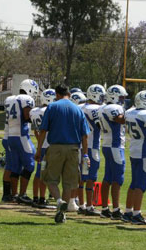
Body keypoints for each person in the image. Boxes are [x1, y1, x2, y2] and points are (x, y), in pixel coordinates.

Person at [36, 84, 90, 224]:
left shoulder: (52, 107)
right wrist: (85, 155)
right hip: (73, 149)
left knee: (50, 179)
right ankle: (62, 213)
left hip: (56, 148)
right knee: (69, 183)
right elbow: (85, 136)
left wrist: (38, 149)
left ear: (56, 94)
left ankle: (59, 201)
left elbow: (43, 131)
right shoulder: (77, 109)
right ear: (69, 94)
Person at [122, 90, 146, 224]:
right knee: (141, 184)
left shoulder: (129, 113)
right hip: (144, 153)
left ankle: (128, 212)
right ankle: (136, 214)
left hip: (134, 151)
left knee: (134, 182)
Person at [5, 79, 39, 204]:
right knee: (30, 165)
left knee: (15, 167)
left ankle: (14, 195)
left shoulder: (10, 98)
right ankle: (22, 194)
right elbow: (26, 115)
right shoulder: (27, 99)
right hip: (22, 135)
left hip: (11, 136)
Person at [98, 85, 129, 220]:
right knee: (118, 178)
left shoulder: (103, 107)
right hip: (115, 146)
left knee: (108, 177)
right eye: (121, 97)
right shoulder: (113, 108)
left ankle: (105, 208)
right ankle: (116, 209)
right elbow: (120, 119)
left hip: (107, 144)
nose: (122, 100)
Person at [79, 84, 107, 216]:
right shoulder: (97, 109)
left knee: (81, 176)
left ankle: (81, 204)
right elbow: (99, 125)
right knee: (91, 177)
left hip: (80, 145)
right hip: (92, 147)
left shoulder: (80, 107)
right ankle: (89, 206)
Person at [30, 88, 56, 208]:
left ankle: (36, 197)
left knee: (39, 172)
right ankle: (42, 197)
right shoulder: (51, 110)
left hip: (41, 144)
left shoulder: (34, 111)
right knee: (46, 174)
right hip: (49, 146)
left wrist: (39, 143)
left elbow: (36, 131)